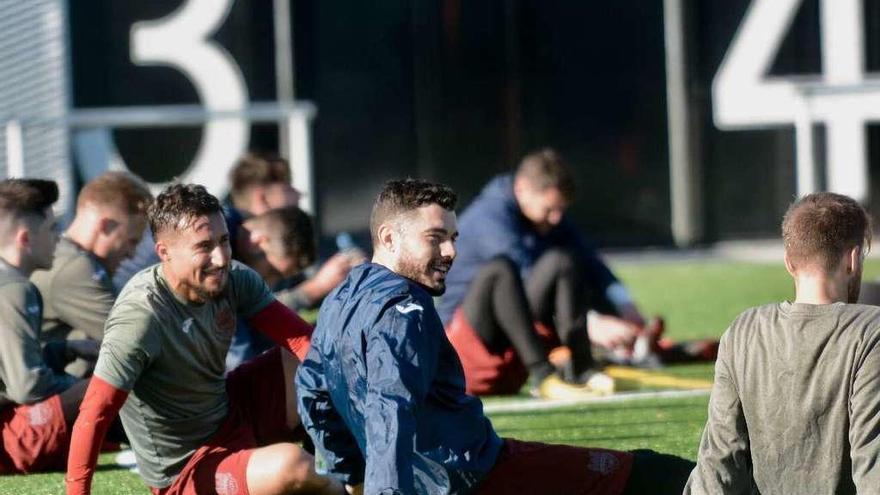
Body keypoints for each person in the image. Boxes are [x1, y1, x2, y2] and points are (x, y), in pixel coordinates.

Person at [297, 178, 694, 495]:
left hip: (449, 473)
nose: (451, 250)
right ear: (388, 238)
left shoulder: (340, 296)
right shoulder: (405, 310)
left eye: (454, 237)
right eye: (435, 237)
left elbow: (312, 390)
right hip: (471, 476)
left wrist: (352, 473)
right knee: (649, 474)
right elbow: (391, 410)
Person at [65, 184, 342, 495]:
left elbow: (304, 343)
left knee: (321, 355)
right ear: (164, 253)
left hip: (230, 413)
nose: (221, 258)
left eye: (224, 241)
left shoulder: (235, 278)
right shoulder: (140, 317)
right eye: (204, 246)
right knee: (293, 466)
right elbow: (94, 412)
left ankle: (353, 467)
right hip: (186, 467)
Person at [685, 192, 880, 494]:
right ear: (853, 260)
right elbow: (874, 465)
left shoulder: (742, 332)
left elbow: (718, 466)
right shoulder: (871, 332)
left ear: (790, 263)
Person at [438, 148, 649, 396]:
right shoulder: (490, 218)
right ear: (522, 190)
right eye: (549, 210)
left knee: (564, 259)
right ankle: (543, 376)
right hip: (465, 343)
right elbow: (523, 276)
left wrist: (623, 304)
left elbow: (588, 259)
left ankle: (583, 367)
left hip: (512, 337)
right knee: (502, 270)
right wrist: (593, 323)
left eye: (561, 210)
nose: (556, 218)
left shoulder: (545, 216)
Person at [0, 179, 101, 474]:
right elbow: (27, 387)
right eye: (52, 228)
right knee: (113, 381)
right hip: (8, 440)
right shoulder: (13, 289)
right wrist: (79, 388)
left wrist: (62, 350)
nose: (59, 238)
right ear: (25, 239)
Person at [31, 171, 152, 377]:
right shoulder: (74, 267)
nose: (131, 255)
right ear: (105, 226)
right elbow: (139, 340)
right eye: (131, 241)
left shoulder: (68, 257)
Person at [227, 206, 345, 371]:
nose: (271, 284)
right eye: (273, 272)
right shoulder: (220, 273)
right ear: (257, 242)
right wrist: (314, 289)